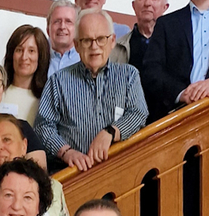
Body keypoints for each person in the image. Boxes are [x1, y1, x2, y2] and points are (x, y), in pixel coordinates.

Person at [35, 10, 148, 173]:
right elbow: (43, 126)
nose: (94, 47)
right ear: (77, 45)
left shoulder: (128, 75)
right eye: (87, 40)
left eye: (101, 39)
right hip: (72, 174)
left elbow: (138, 113)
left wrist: (110, 132)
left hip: (120, 174)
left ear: (112, 41)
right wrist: (66, 152)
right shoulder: (58, 81)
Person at [110, 0, 170, 75]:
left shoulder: (175, 44)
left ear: (165, 7)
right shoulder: (117, 48)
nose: (147, 3)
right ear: (134, 6)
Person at [1, 25, 50, 125]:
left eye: (31, 51)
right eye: (19, 50)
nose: (24, 57)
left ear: (40, 57)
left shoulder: (47, 98)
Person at [46, 0, 80, 78]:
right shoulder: (39, 59)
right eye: (57, 21)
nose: (62, 27)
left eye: (68, 21)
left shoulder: (85, 61)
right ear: (48, 29)